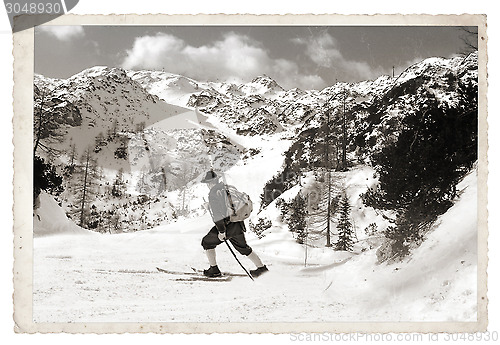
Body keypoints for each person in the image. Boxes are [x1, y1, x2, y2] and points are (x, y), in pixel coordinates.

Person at [200, 170, 268, 278]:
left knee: (206, 242)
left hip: (226, 226)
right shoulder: (227, 187)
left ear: (210, 183)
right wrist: (210, 205)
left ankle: (214, 269)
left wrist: (221, 231)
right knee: (243, 248)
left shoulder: (214, 193)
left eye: (207, 183)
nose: (207, 186)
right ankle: (261, 268)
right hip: (237, 223)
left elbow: (218, 215)